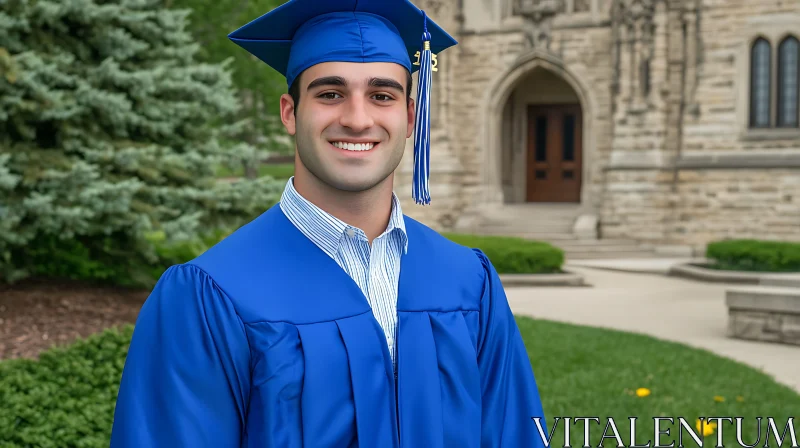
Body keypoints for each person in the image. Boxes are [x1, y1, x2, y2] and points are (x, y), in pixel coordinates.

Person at [109, 0, 548, 446]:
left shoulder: (469, 283)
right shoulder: (209, 296)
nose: (358, 120)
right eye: (330, 94)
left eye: (382, 95)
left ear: (411, 116)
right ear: (289, 113)